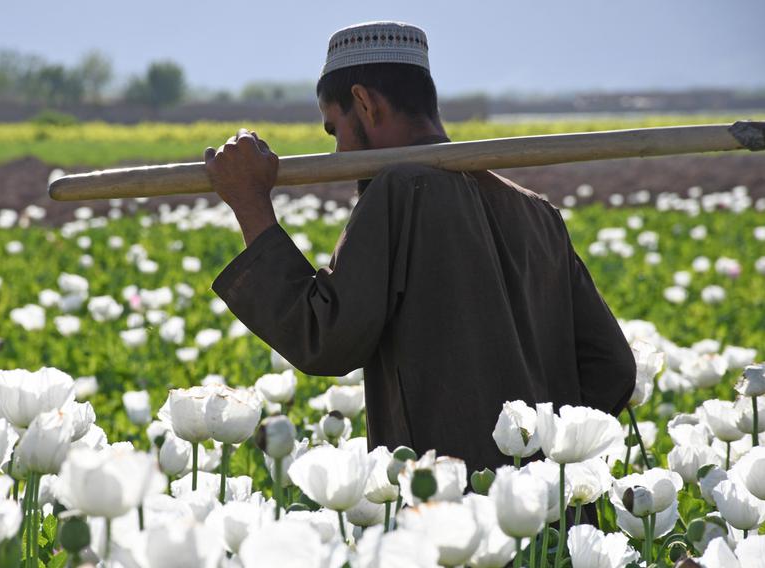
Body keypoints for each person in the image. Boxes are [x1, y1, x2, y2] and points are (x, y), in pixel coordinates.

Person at [203, 21, 636, 517]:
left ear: (365, 103)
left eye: (334, 128)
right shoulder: (536, 213)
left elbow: (324, 337)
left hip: (453, 517)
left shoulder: (400, 191)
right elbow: (614, 369)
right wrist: (550, 458)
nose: (338, 153)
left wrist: (250, 204)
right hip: (553, 523)